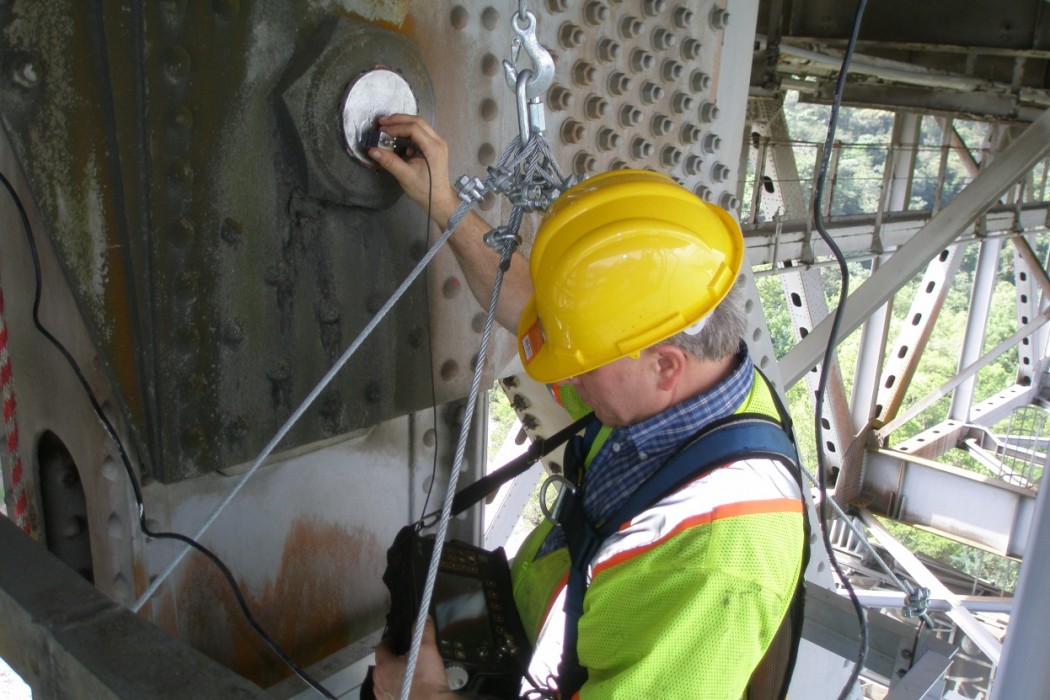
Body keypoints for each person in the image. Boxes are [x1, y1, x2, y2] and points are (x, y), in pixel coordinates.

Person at [367, 114, 807, 700]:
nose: (568, 376)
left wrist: (425, 696)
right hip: (528, 637)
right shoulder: (688, 383)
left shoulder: (715, 562)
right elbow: (534, 308)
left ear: (666, 365)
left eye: (585, 363)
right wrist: (444, 202)